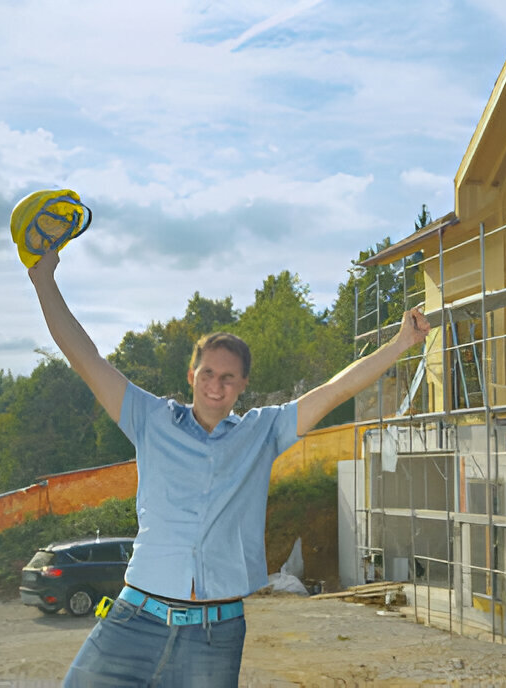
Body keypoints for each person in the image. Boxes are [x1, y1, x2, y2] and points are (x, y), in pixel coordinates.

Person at [27, 246, 430, 686]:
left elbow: (334, 391)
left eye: (227, 377)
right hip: (135, 617)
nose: (215, 385)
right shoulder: (149, 419)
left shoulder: (262, 432)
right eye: (207, 374)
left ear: (242, 386)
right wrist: (43, 279)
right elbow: (85, 358)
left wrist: (400, 343)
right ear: (191, 375)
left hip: (213, 634)